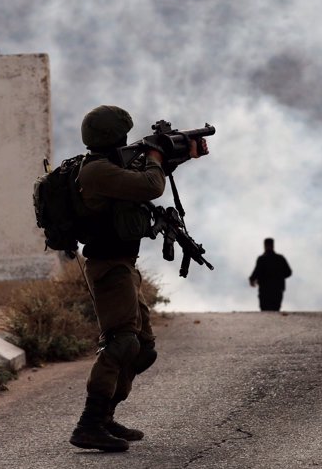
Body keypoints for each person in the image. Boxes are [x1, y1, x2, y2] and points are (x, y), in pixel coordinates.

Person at [68, 105, 205, 452]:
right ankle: (89, 423)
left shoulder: (109, 165)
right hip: (108, 267)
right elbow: (149, 185)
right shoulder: (97, 171)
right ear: (114, 137)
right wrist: (156, 154)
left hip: (123, 266)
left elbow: (144, 176)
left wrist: (182, 153)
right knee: (122, 343)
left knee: (142, 349)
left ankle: (105, 417)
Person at [249, 238, 292, 312]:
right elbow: (288, 272)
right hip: (277, 289)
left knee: (265, 312)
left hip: (265, 290)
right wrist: (279, 277)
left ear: (264, 246)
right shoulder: (280, 258)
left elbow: (256, 272)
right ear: (273, 245)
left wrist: (252, 279)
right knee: (275, 311)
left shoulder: (262, 259)